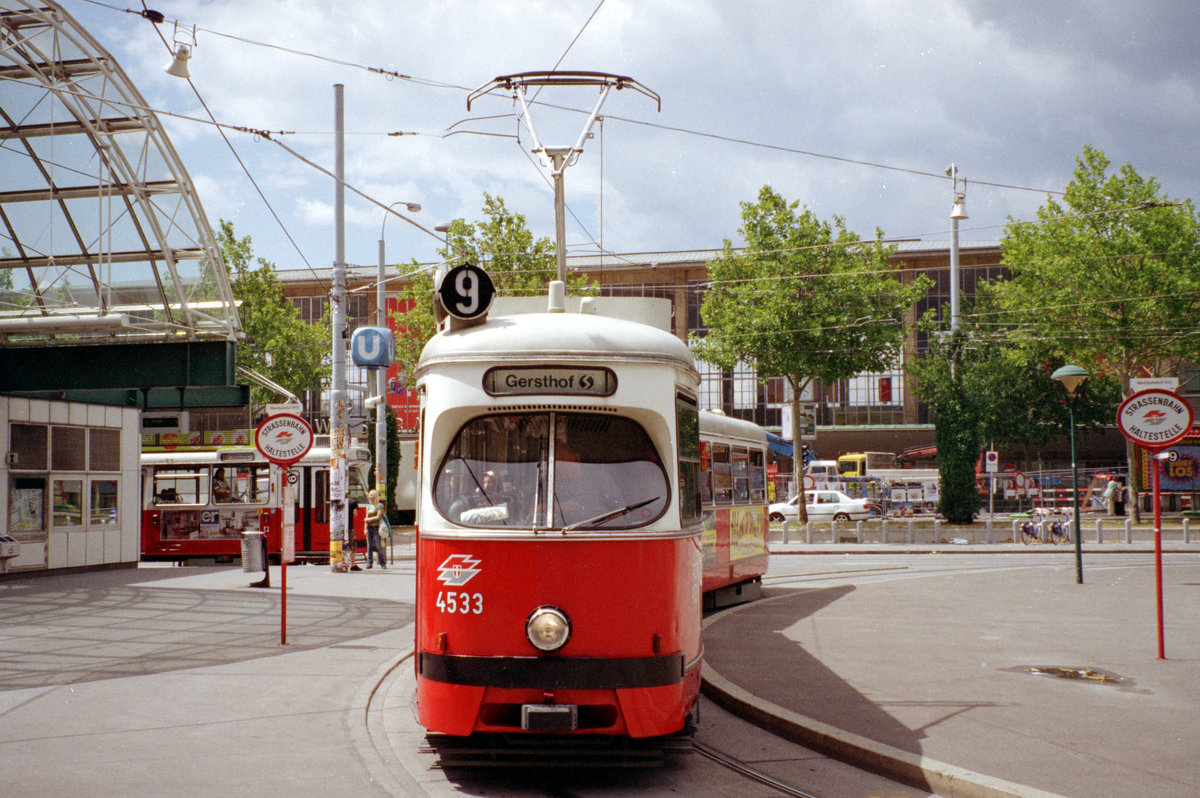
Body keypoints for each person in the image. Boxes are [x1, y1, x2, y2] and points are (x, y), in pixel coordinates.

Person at [364, 489, 386, 569]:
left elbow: (378, 517)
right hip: (369, 528)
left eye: (371, 495)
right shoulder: (368, 507)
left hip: (376, 528)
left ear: (375, 496)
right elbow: (366, 518)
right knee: (369, 545)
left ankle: (382, 563)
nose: (369, 497)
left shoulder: (380, 506)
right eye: (369, 495)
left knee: (378, 545)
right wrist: (365, 529)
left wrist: (368, 520)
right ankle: (369, 563)